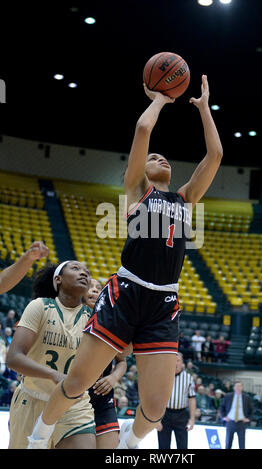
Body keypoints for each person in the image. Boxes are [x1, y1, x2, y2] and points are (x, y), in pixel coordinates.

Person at [28, 74, 223, 450]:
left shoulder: (186, 199)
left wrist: (203, 108)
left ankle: (131, 445)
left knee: (155, 409)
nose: (159, 157)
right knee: (77, 382)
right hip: (126, 291)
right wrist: (162, 98)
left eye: (162, 156)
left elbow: (215, 156)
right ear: (139, 172)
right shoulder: (138, 189)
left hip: (164, 301)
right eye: (152, 157)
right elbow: (143, 128)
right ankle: (39, 437)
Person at [6, 261, 96, 449]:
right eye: (76, 269)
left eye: (86, 272)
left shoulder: (93, 317)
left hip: (73, 404)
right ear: (58, 279)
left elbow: (123, 353)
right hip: (32, 399)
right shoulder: (40, 307)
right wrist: (53, 374)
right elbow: (13, 357)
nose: (83, 273)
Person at [83, 278, 128, 449]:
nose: (94, 290)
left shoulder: (110, 321)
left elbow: (122, 360)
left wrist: (113, 378)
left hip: (102, 397)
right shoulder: (71, 316)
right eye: (90, 287)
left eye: (98, 288)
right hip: (75, 396)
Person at [157, 353, 196, 449]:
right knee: (163, 446)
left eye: (178, 360)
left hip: (181, 415)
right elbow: (156, 397)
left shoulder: (188, 378)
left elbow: (192, 399)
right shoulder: (162, 376)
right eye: (173, 360)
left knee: (182, 446)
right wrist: (156, 419)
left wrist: (192, 419)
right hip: (164, 414)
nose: (175, 363)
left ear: (182, 363)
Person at [219, 380, 253, 449]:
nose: (238, 387)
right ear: (234, 387)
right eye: (236, 386)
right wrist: (224, 417)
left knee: (242, 445)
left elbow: (251, 410)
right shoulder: (228, 396)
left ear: (242, 387)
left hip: (241, 423)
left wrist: (248, 419)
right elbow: (221, 407)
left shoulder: (246, 397)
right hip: (230, 422)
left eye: (240, 386)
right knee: (228, 443)